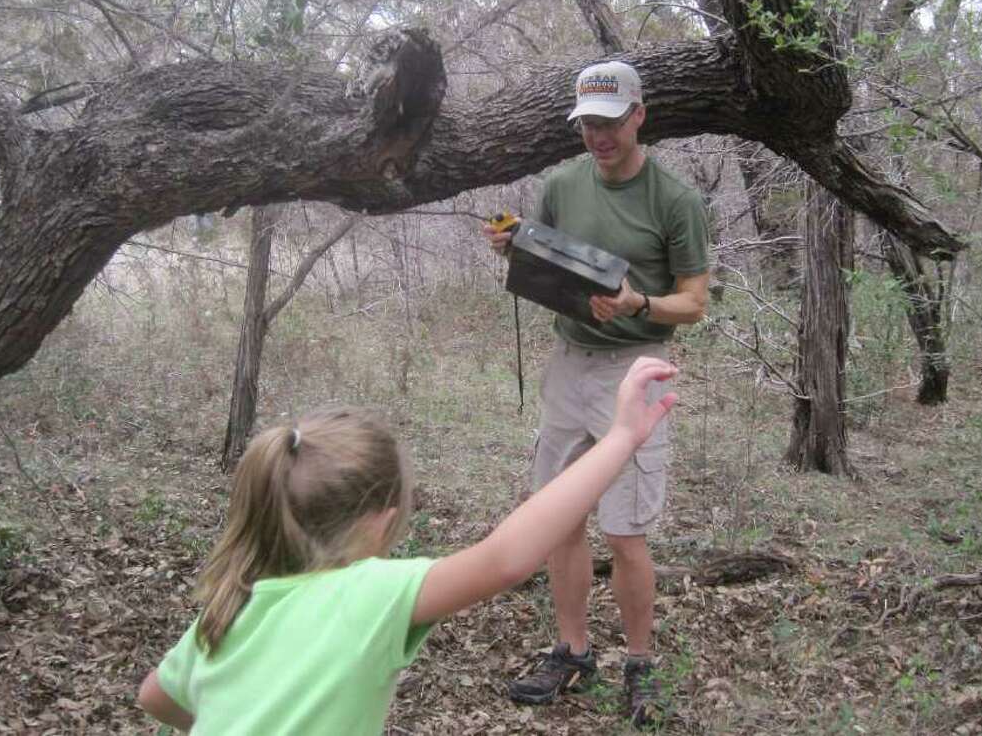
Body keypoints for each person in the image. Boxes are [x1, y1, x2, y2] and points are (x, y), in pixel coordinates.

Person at [137, 356, 678, 735]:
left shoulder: (227, 609)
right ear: (381, 522)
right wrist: (622, 438)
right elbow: (507, 556)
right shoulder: (365, 595)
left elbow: (156, 697)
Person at [482, 59, 710, 728]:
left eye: (611, 123)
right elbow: (549, 258)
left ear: (639, 115)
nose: (599, 136)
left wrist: (641, 302)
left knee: (625, 530)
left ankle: (639, 663)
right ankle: (572, 650)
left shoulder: (675, 199)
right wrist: (512, 244)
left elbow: (694, 302)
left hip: (634, 371)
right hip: (569, 364)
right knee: (559, 516)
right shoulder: (562, 183)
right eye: (588, 125)